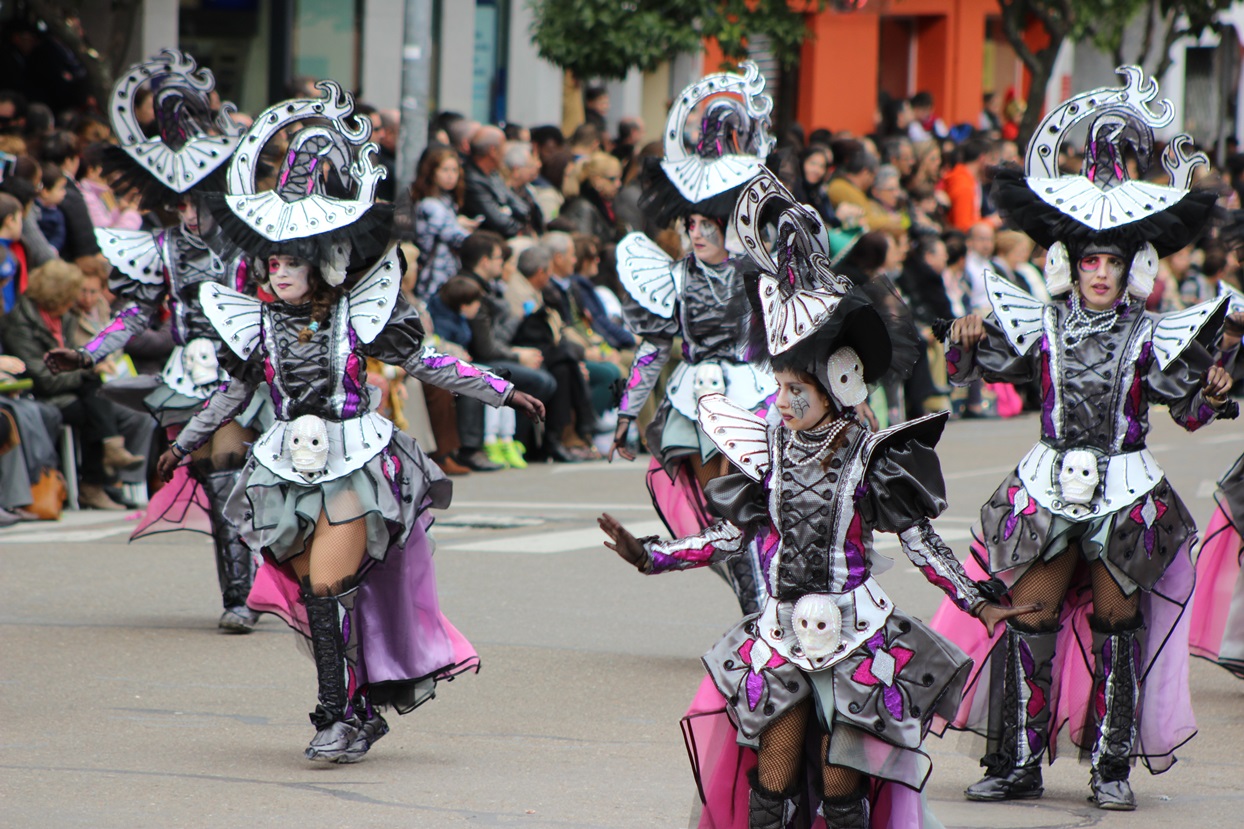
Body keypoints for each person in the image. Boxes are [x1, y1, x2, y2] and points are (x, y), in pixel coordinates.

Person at [600, 181, 1026, 827]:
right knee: (768, 785)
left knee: (842, 793)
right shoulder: (766, 448)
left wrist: (979, 600)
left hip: (856, 635)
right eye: (779, 385)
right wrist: (653, 556)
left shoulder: (873, 453)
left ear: (837, 382)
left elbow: (922, 542)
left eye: (798, 387)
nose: (786, 400)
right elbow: (728, 535)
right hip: (778, 631)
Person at [156, 81, 544, 763]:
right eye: (271, 261)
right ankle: (359, 709)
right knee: (317, 597)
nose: (276, 271)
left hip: (353, 459)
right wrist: (185, 441)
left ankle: (334, 716)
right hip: (284, 465)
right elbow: (228, 395)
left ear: (322, 261)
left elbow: (432, 365)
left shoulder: (359, 315)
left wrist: (505, 392)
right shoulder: (259, 325)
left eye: (290, 261)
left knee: (329, 584)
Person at [929, 66, 1235, 811]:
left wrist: (1212, 390)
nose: (1099, 272)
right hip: (1046, 481)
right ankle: (1019, 759)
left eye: (1112, 260)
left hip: (1125, 489)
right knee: (1026, 619)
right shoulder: (1043, 328)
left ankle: (1111, 764)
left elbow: (1185, 411)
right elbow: (981, 369)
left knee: (1116, 627)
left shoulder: (1154, 333)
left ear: (1134, 266)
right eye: (1088, 259)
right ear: (1069, 264)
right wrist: (964, 340)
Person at [44, 50, 268, 631]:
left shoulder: (256, 243)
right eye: (181, 200)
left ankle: (279, 581)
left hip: (268, 375)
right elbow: (134, 311)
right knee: (222, 475)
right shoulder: (162, 247)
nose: (190, 211)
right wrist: (90, 352)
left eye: (199, 197)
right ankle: (238, 598)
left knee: (271, 486)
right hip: (202, 381)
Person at [611, 63, 779, 616]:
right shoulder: (673, 276)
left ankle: (769, 609)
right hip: (693, 398)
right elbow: (655, 346)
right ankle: (754, 609)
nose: (699, 232)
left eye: (710, 222)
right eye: (691, 224)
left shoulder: (761, 272)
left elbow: (793, 336)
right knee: (717, 514)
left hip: (754, 395)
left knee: (755, 506)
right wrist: (624, 414)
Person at [5, 259, 146, 510]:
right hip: (39, 391)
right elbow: (42, 377)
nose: (75, 302)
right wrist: (86, 370)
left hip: (71, 388)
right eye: (70, 296)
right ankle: (97, 481)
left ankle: (104, 476)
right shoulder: (20, 323)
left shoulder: (65, 318)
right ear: (55, 296)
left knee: (98, 397)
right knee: (94, 402)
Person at [405, 145, 479, 300]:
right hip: (434, 278)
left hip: (445, 272)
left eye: (454, 170)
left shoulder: (447, 200)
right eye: (445, 170)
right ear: (432, 172)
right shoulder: (430, 205)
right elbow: (457, 238)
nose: (451, 176)